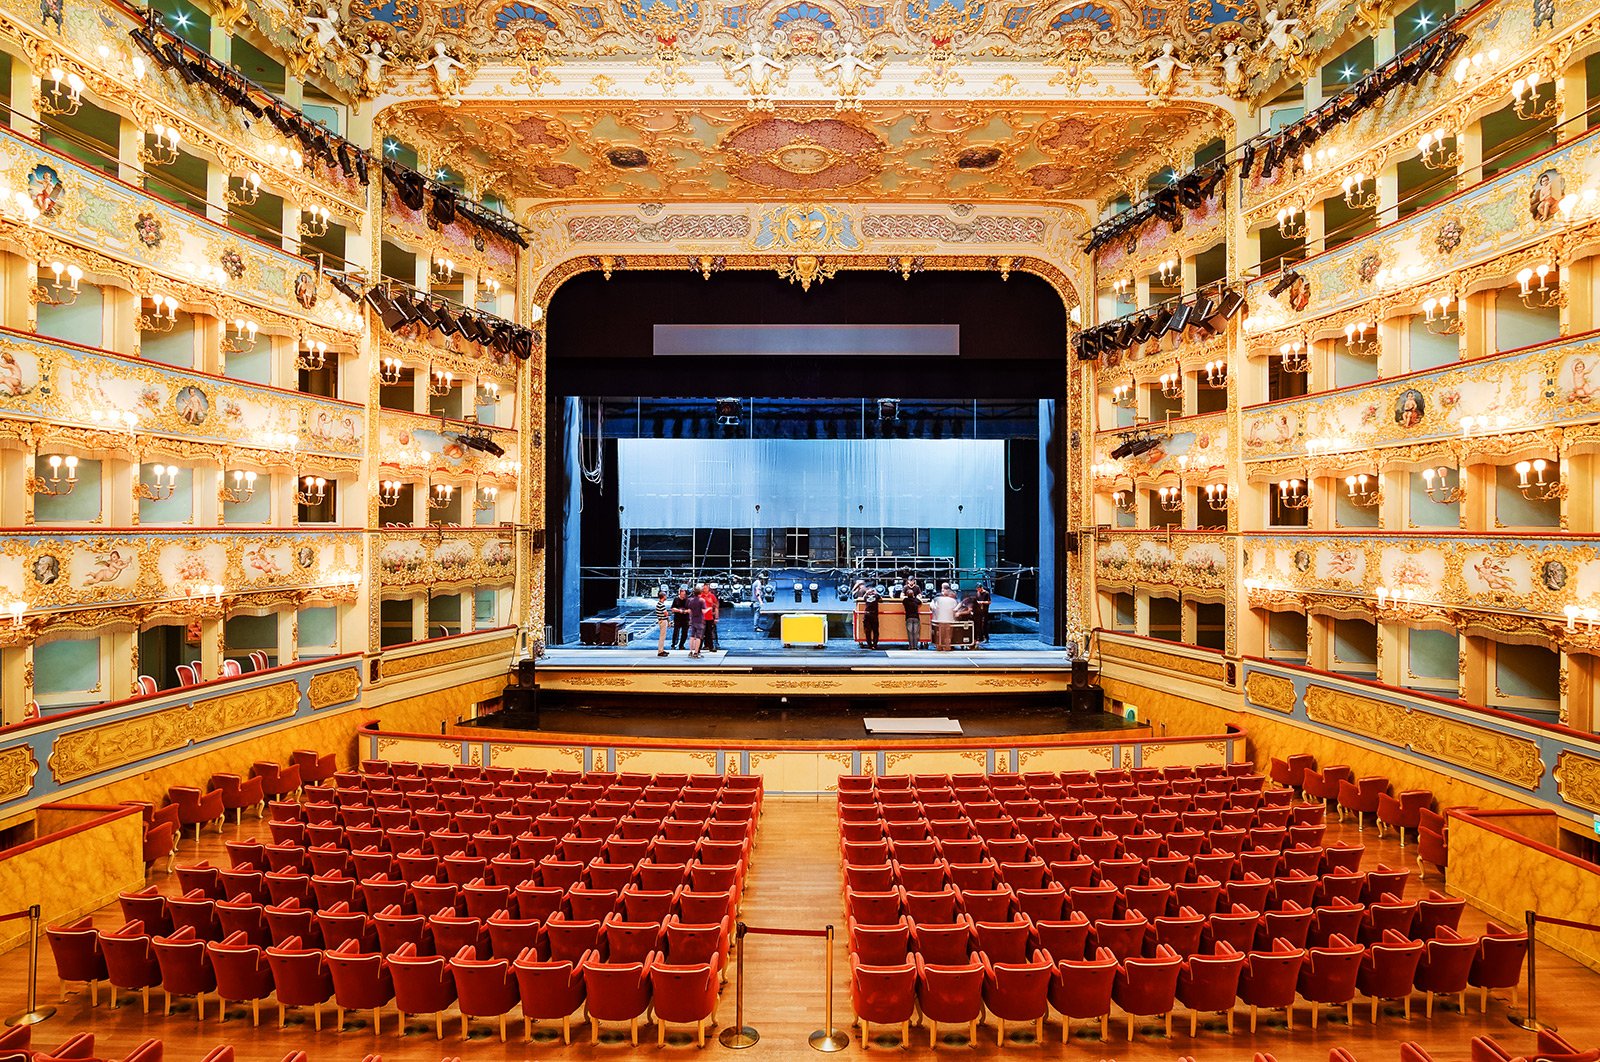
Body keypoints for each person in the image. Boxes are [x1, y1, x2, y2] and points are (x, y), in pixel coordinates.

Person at [931, 586, 959, 652]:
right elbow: (955, 609)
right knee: (948, 635)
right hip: (949, 620)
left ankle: (939, 647)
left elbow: (932, 607)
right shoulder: (953, 601)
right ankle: (947, 647)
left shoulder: (937, 599)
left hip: (939, 620)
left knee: (939, 634)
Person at [901, 579, 922, 650]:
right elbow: (920, 602)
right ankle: (916, 646)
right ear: (913, 594)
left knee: (910, 633)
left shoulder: (905, 601)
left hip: (908, 617)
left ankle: (911, 646)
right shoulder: (916, 600)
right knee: (916, 632)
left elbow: (902, 599)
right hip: (916, 617)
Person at [686, 589, 706, 658]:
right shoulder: (702, 600)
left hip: (693, 620)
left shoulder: (690, 601)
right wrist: (709, 609)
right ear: (700, 593)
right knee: (698, 637)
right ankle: (696, 652)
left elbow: (689, 611)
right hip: (699, 620)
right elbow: (703, 611)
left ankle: (691, 651)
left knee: (692, 636)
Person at [699, 582, 719, 654]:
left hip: (710, 617)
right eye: (704, 588)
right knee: (701, 633)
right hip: (701, 618)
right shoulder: (700, 596)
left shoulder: (712, 596)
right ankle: (698, 648)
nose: (705, 589)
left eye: (706, 588)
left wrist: (716, 617)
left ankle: (711, 646)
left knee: (709, 633)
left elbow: (716, 607)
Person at [861, 583, 881, 649]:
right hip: (873, 615)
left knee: (868, 631)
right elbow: (881, 598)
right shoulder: (876, 596)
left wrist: (866, 593)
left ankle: (870, 645)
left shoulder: (866, 596)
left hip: (867, 615)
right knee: (875, 631)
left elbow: (863, 598)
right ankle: (874, 645)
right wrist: (875, 592)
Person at [654, 590, 671, 657]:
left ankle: (661, 650)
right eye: (665, 595)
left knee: (662, 636)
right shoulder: (661, 605)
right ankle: (660, 651)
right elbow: (666, 614)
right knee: (662, 637)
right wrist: (669, 621)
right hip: (663, 621)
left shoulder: (659, 604)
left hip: (661, 620)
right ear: (663, 596)